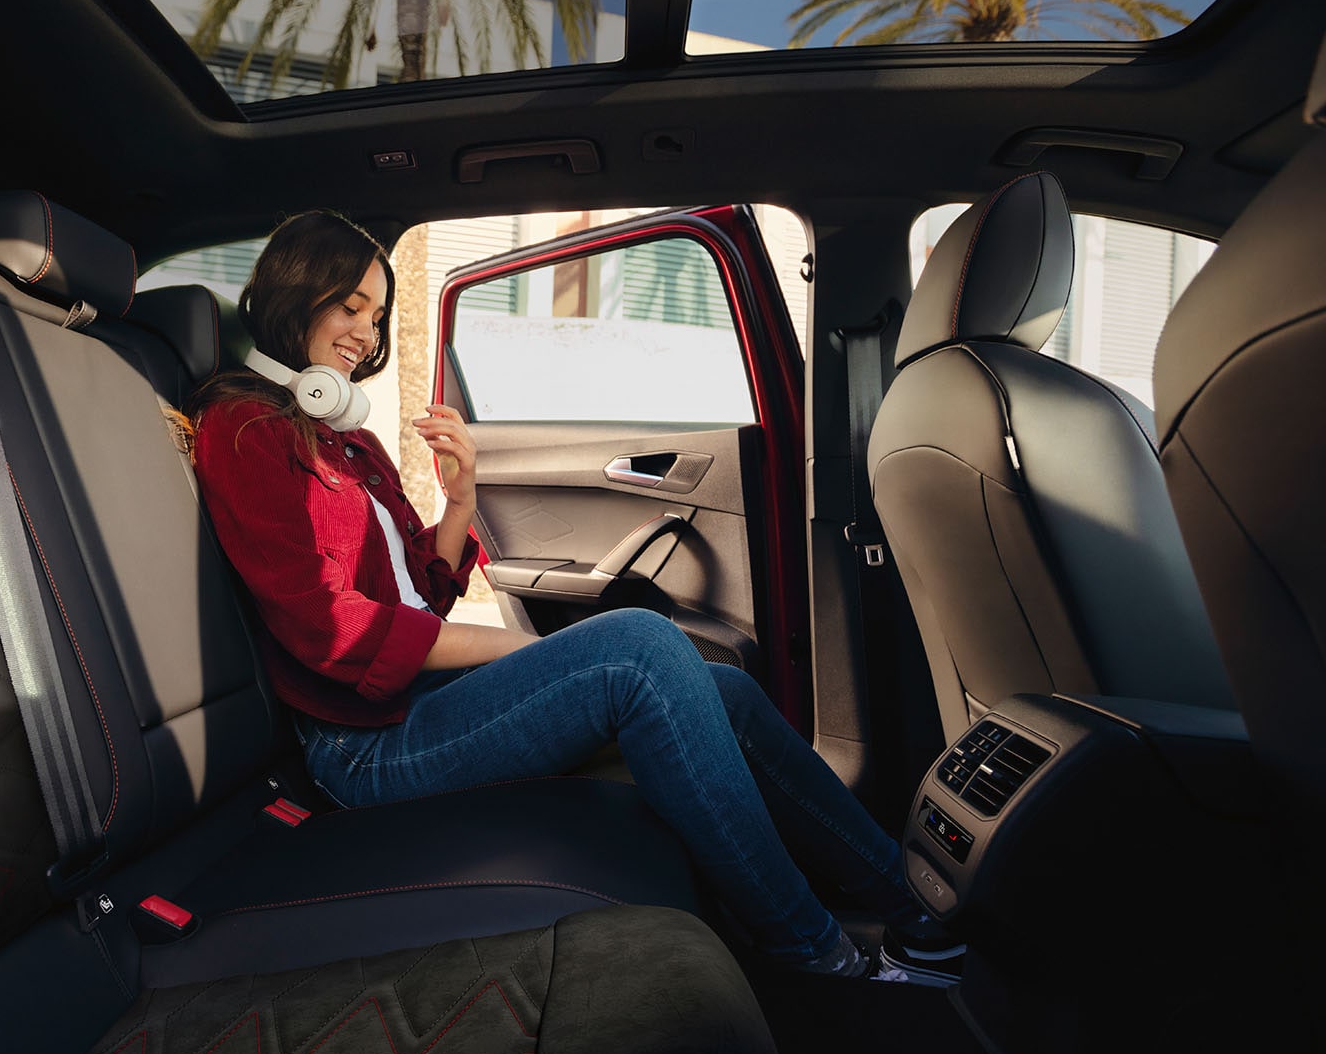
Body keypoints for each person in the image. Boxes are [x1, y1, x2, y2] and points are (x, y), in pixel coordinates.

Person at [186, 209, 952, 980]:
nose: (365, 331)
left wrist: (460, 502)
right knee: (640, 649)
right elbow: (334, 631)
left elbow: (421, 596)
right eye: (350, 306)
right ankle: (813, 951)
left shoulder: (346, 438)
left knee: (723, 689)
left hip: (419, 699)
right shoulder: (245, 429)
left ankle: (907, 901)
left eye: (377, 314)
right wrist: (530, 651)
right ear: (295, 293)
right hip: (366, 749)